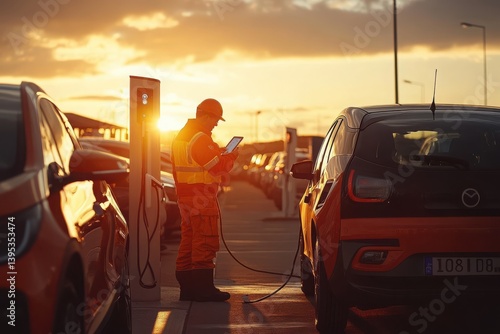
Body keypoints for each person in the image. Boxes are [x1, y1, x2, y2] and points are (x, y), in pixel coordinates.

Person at [171, 98, 238, 302]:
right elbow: (218, 168)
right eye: (215, 119)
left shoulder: (181, 137)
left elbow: (199, 161)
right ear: (206, 116)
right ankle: (203, 288)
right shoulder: (199, 138)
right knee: (205, 240)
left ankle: (188, 288)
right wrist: (232, 156)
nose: (216, 123)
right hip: (201, 199)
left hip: (185, 197)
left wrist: (217, 153)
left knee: (189, 240)